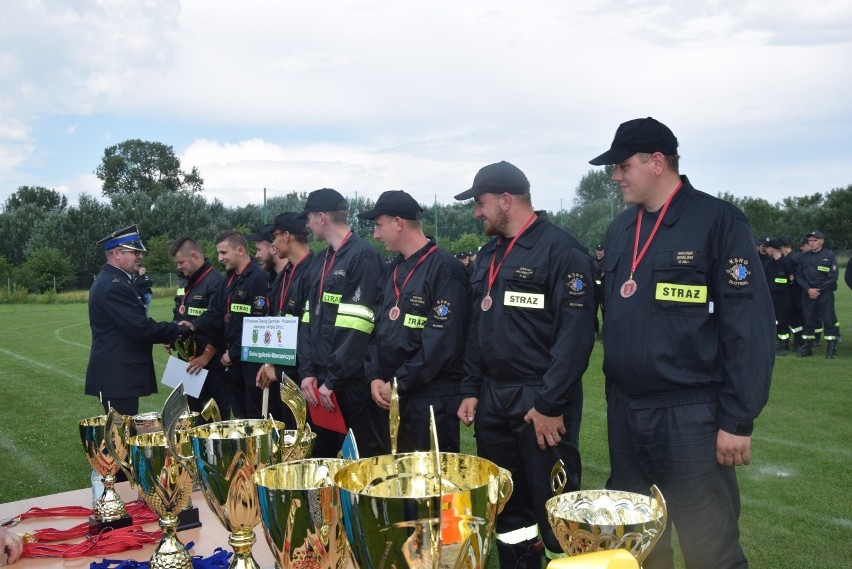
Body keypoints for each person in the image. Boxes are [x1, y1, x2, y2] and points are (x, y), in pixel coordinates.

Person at [589, 117, 774, 569]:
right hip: (626, 414)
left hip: (690, 416)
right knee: (639, 548)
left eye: (622, 165)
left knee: (710, 549)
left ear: (656, 162)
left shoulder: (717, 222)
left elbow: (748, 327)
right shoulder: (619, 230)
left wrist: (737, 418)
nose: (615, 176)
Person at [455, 162, 596, 568]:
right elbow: (477, 330)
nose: (476, 213)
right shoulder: (488, 255)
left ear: (505, 200)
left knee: (556, 510)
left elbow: (575, 339)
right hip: (493, 398)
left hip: (541, 398)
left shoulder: (561, 251)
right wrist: (470, 388)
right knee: (508, 510)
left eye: (480, 204)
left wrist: (551, 404)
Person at [361, 190, 470, 453]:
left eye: (379, 225)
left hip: (431, 400)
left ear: (398, 223)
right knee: (399, 482)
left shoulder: (446, 269)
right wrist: (375, 376)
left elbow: (441, 345)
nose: (376, 235)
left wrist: (397, 383)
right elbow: (376, 328)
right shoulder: (393, 270)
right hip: (392, 396)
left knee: (432, 486)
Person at [296, 188, 387, 457]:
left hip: (351, 382)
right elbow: (308, 319)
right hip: (321, 382)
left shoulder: (363, 256)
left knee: (362, 458)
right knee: (327, 458)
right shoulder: (321, 260)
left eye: (309, 218)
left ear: (322, 217)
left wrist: (334, 378)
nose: (307, 224)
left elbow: (358, 326)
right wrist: (308, 371)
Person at [85, 225, 190, 416]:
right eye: (135, 251)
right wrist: (178, 330)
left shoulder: (117, 280)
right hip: (117, 376)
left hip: (118, 375)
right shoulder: (113, 285)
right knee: (120, 439)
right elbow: (140, 328)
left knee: (122, 434)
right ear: (117, 253)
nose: (140, 256)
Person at [182, 230, 270, 418]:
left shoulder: (259, 278)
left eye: (223, 253)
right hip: (230, 362)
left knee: (254, 417)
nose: (220, 258)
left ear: (239, 250)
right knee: (238, 415)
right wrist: (193, 325)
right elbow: (216, 313)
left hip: (250, 361)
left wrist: (233, 352)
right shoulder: (230, 279)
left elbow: (258, 326)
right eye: (219, 253)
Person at [255, 214, 316, 426]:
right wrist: (269, 362)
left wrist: (281, 371)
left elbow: (309, 332)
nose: (272, 243)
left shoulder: (314, 272)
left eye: (275, 236)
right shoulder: (284, 275)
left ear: (287, 236)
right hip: (279, 377)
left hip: (302, 378)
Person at [168, 236, 230, 420]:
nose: (179, 267)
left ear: (194, 256)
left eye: (181, 262)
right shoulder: (184, 283)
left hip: (210, 364)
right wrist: (171, 336)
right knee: (190, 416)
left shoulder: (217, 282)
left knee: (215, 417)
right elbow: (178, 314)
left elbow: (220, 325)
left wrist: (206, 356)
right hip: (186, 362)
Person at [796, 230, 839, 359]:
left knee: (828, 320)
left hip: (825, 294)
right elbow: (799, 276)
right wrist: (808, 289)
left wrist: (818, 290)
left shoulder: (829, 256)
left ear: (822, 241)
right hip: (808, 294)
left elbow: (833, 276)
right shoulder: (804, 257)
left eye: (815, 240)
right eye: (810, 241)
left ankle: (831, 348)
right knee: (808, 321)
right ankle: (807, 347)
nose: (812, 243)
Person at [764, 239, 796, 355]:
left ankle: (784, 343)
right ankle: (774, 341)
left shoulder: (787, 263)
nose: (766, 250)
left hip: (784, 298)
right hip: (771, 297)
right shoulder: (769, 263)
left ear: (772, 249)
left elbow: (792, 281)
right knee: (773, 320)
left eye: (767, 248)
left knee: (783, 321)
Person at [593, 244, 605, 337]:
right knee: (593, 313)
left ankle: (606, 333)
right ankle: (595, 331)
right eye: (598, 250)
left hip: (603, 291)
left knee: (605, 314)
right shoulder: (592, 261)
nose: (599, 252)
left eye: (601, 250)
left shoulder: (607, 261)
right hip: (594, 291)